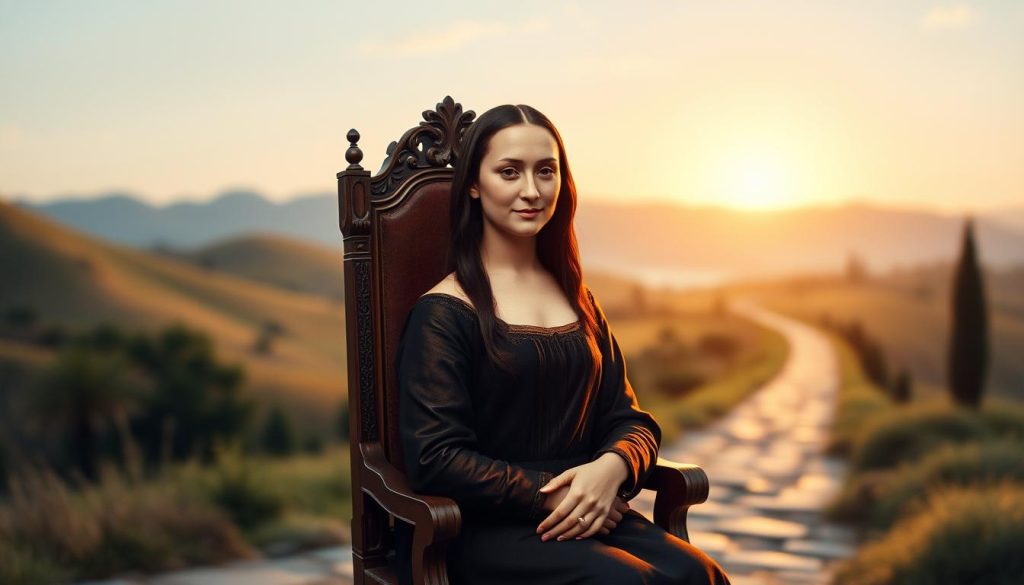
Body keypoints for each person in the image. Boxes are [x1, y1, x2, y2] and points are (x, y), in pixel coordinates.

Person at [394, 103, 731, 584]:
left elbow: (629, 419)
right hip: (483, 528)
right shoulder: (444, 313)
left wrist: (611, 468)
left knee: (701, 574)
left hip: (592, 508)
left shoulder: (579, 299)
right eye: (509, 172)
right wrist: (549, 493)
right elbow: (436, 458)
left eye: (545, 171)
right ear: (473, 183)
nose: (531, 191)